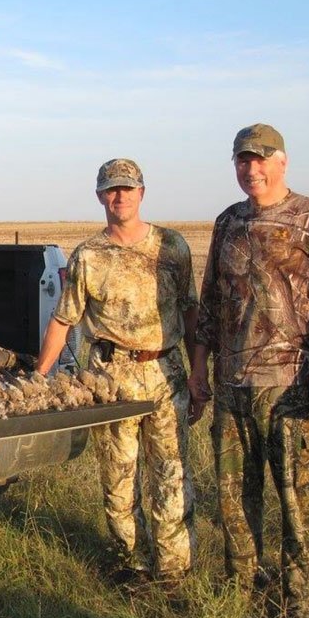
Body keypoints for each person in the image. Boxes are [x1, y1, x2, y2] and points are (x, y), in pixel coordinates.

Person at [189, 124, 309, 618]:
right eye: (243, 160)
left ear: (282, 162)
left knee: (298, 501)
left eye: (261, 160)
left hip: (295, 388)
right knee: (235, 499)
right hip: (233, 385)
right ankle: (244, 590)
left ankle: (301, 610)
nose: (251, 169)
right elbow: (212, 303)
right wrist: (200, 366)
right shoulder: (228, 222)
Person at [35, 159, 198, 583]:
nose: (119, 196)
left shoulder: (172, 247)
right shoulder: (88, 255)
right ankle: (132, 564)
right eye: (111, 189)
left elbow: (191, 312)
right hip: (110, 380)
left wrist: (200, 375)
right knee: (119, 481)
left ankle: (174, 573)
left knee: (171, 476)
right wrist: (40, 376)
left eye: (127, 188)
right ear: (99, 196)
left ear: (142, 192)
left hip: (165, 374)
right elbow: (63, 319)